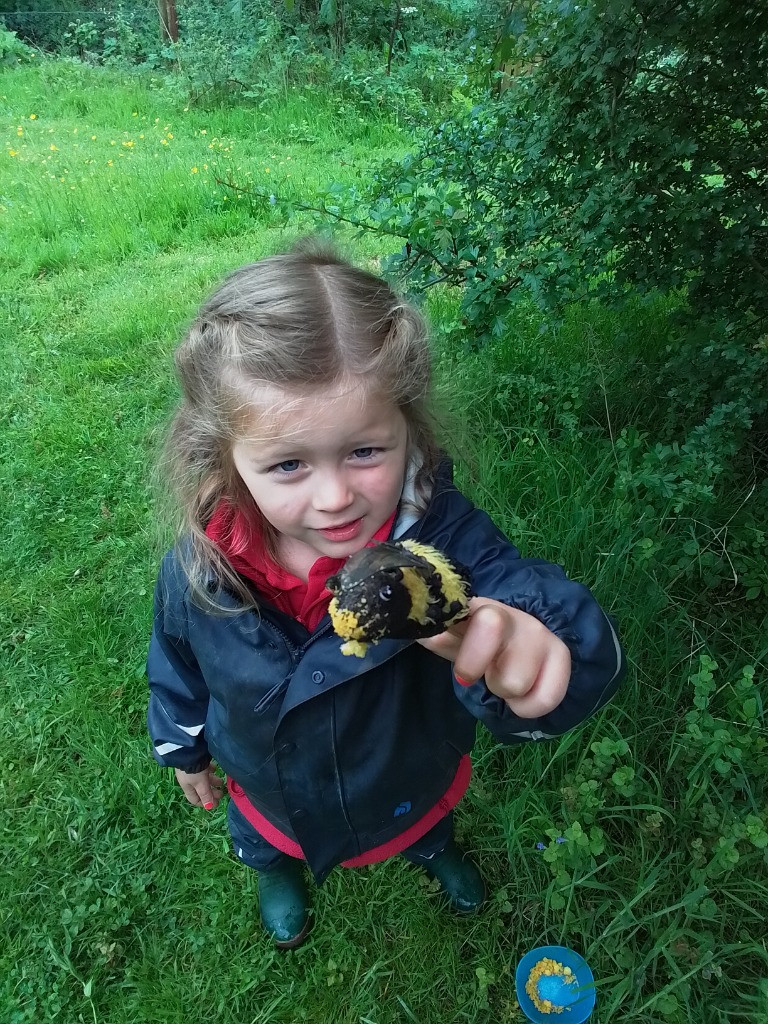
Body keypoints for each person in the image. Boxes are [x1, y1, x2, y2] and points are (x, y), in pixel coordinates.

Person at [147, 240, 625, 950]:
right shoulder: (202, 570)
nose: (336, 497)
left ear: (408, 429)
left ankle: (432, 848)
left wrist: (548, 644)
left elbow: (516, 591)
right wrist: (182, 749)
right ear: (226, 459)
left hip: (407, 768)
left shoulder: (440, 546)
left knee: (423, 820)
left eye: (365, 451)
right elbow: (177, 664)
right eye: (287, 464)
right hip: (266, 781)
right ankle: (273, 869)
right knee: (264, 835)